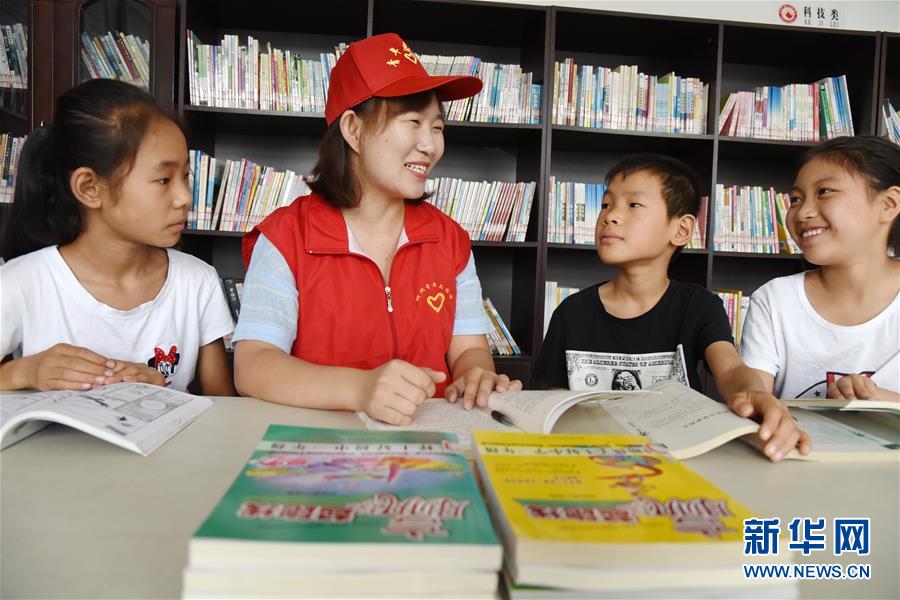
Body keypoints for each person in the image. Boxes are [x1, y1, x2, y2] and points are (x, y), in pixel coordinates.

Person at [233, 33, 521, 424]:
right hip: (321, 443)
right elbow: (253, 366)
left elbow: (469, 349)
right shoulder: (286, 237)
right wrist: (360, 388)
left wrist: (475, 375)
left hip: (430, 440)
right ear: (353, 130)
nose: (430, 146)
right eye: (413, 122)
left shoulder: (449, 240)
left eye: (437, 127)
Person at [534, 154, 810, 462]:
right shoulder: (572, 311)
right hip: (591, 457)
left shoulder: (699, 306)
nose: (610, 216)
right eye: (606, 204)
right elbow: (554, 402)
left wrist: (753, 394)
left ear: (681, 229)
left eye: (633, 204)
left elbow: (731, 368)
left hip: (677, 459)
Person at [0, 79, 235, 395]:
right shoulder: (18, 284)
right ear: (89, 188)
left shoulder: (197, 282)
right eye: (164, 180)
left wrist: (161, 393)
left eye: (185, 176)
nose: (185, 197)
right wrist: (24, 372)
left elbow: (222, 405)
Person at [741, 136, 899, 402]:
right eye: (795, 199)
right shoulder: (775, 300)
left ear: (888, 204)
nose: (803, 213)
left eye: (824, 191)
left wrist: (883, 403)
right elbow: (752, 399)